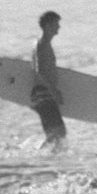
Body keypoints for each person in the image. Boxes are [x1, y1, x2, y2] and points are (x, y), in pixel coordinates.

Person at [30, 10, 67, 148]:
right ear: (48, 25)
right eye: (56, 24)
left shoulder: (43, 44)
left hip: (43, 94)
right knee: (59, 133)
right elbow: (39, 72)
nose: (59, 27)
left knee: (55, 134)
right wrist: (53, 91)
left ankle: (46, 158)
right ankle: (41, 155)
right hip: (44, 94)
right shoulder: (42, 44)